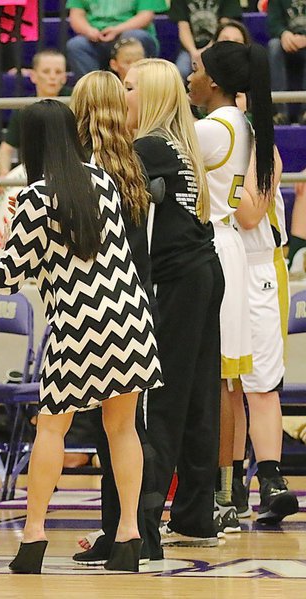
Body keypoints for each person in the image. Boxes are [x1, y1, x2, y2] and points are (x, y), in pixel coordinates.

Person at [0, 99, 163, 574]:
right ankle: (129, 535)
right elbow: (68, 257)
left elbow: (9, 270)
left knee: (52, 428)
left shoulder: (35, 196)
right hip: (129, 315)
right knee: (123, 429)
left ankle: (33, 536)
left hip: (78, 321)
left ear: (32, 144)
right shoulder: (102, 181)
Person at [200, 41, 302, 524]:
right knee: (228, 380)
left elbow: (249, 214)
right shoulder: (220, 136)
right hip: (223, 261)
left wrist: (225, 174)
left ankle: (273, 479)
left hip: (261, 267)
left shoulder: (261, 147)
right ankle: (231, 485)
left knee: (260, 381)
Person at [124, 59, 223, 556]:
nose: (123, 95)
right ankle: (196, 516)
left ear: (151, 96)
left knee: (160, 401)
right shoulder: (180, 146)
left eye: (129, 87)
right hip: (205, 272)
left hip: (177, 280)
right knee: (199, 398)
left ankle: (141, 525)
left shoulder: (147, 148)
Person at [68, 70, 157, 565]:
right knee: (125, 430)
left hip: (88, 305)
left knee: (92, 431)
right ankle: (129, 530)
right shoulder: (132, 161)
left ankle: (121, 530)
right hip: (135, 301)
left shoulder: (79, 168)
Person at [188, 41, 263, 536]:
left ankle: (215, 499)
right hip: (226, 244)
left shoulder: (212, 128)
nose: (189, 76)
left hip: (210, 245)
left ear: (213, 80)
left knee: (213, 381)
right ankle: (224, 494)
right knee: (224, 382)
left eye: (195, 68)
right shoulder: (239, 122)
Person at [0, 48, 72, 177]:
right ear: (33, 76)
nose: (52, 77)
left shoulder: (76, 101)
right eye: (46, 71)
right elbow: (6, 150)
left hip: (70, 171)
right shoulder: (24, 108)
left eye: (58, 72)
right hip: (34, 174)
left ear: (64, 77)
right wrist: (4, 175)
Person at [65, 0, 167, 80]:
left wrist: (117, 30)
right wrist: (88, 30)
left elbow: (145, 15)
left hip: (129, 32)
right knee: (76, 45)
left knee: (133, 38)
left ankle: (136, 87)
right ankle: (95, 92)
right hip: (96, 38)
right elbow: (76, 15)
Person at [168, 0, 243, 79]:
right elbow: (183, 28)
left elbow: (223, 30)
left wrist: (206, 51)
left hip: (219, 46)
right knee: (182, 71)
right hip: (190, 50)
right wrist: (194, 53)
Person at [267, 0, 306, 124]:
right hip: (285, 43)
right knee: (274, 45)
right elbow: (273, 23)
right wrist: (283, 33)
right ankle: (280, 113)